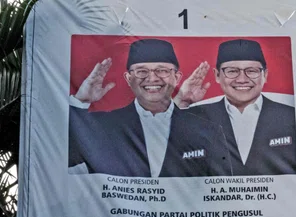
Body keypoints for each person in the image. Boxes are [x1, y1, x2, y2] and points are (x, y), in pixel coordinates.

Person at [68, 39, 232, 177]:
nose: (152, 78)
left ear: (177, 77)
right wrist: (81, 101)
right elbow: (57, 160)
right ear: (128, 78)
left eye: (162, 70)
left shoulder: (207, 130)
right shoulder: (100, 127)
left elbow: (220, 187)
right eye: (141, 71)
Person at [174, 39, 296, 175]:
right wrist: (181, 102)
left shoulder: (291, 117)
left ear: (265, 75)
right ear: (217, 75)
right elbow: (163, 148)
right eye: (232, 71)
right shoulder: (195, 116)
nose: (242, 79)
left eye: (251, 71)